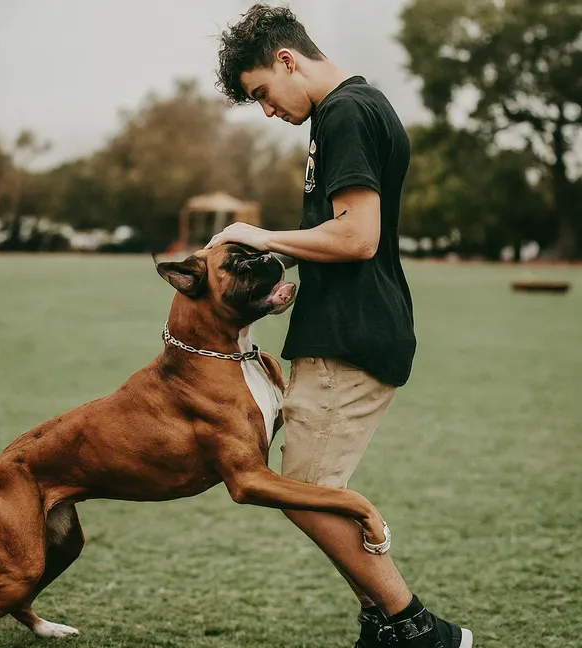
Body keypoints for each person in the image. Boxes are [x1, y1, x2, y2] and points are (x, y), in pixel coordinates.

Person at [206, 5, 472, 648]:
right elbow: (343, 232)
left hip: (351, 334)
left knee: (300, 489)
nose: (266, 110)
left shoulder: (346, 112)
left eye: (262, 92)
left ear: (288, 59)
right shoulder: (352, 109)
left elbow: (357, 237)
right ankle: (383, 626)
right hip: (343, 325)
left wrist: (259, 234)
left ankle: (418, 630)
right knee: (313, 489)